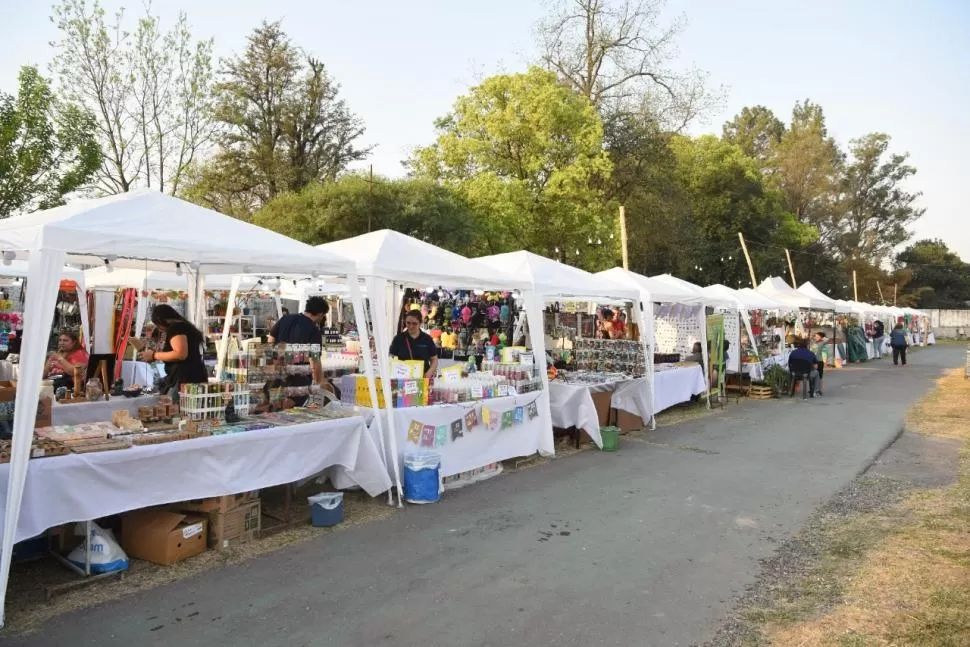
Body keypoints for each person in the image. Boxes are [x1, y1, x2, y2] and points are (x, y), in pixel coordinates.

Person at [137, 305, 207, 398]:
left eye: (158, 324)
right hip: (195, 376)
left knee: (177, 409)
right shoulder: (185, 326)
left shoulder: (176, 328)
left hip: (183, 379)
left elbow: (181, 354)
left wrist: (154, 355)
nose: (159, 328)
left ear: (161, 320)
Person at [269, 297, 329, 403]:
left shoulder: (285, 318)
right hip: (298, 381)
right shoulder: (314, 331)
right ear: (320, 314)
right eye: (324, 315)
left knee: (276, 409)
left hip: (277, 376)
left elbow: (271, 338)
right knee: (294, 413)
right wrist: (318, 383)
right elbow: (315, 360)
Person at [390, 309, 439, 376]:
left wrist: (430, 372)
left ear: (420, 323)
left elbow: (434, 358)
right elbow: (392, 358)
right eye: (408, 323)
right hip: (403, 378)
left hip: (423, 378)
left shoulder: (427, 339)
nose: (411, 326)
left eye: (414, 323)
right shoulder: (398, 339)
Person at [811, 332, 827, 396]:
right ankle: (813, 389)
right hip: (813, 361)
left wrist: (825, 362)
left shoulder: (823, 343)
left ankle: (820, 390)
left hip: (819, 361)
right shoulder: (813, 343)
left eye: (817, 337)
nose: (816, 338)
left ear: (821, 337)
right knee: (813, 375)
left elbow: (824, 353)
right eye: (815, 336)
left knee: (820, 376)